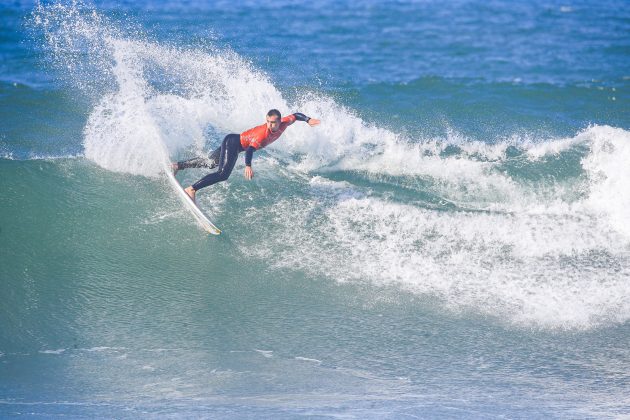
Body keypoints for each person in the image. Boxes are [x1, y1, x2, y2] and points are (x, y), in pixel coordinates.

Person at [172, 109, 320, 202]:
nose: (270, 125)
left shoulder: (285, 122)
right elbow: (250, 150)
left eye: (274, 123)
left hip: (233, 142)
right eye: (268, 122)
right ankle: (191, 189)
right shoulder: (263, 134)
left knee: (210, 163)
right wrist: (248, 165)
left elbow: (295, 115)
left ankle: (178, 165)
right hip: (233, 143)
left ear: (280, 121)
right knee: (223, 174)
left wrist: (307, 119)